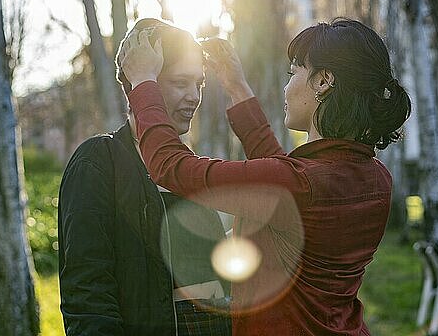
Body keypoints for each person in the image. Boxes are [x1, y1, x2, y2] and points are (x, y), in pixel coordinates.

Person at [119, 18, 412, 335]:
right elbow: (285, 181)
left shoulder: (299, 183)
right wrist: (236, 86)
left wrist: (143, 82)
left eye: (294, 73)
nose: (287, 87)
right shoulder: (377, 178)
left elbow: (171, 167)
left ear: (324, 81)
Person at [58, 18, 231, 336]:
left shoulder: (188, 170)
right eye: (181, 83)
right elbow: (87, 296)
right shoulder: (98, 163)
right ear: (136, 84)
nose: (194, 96)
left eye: (199, 84)